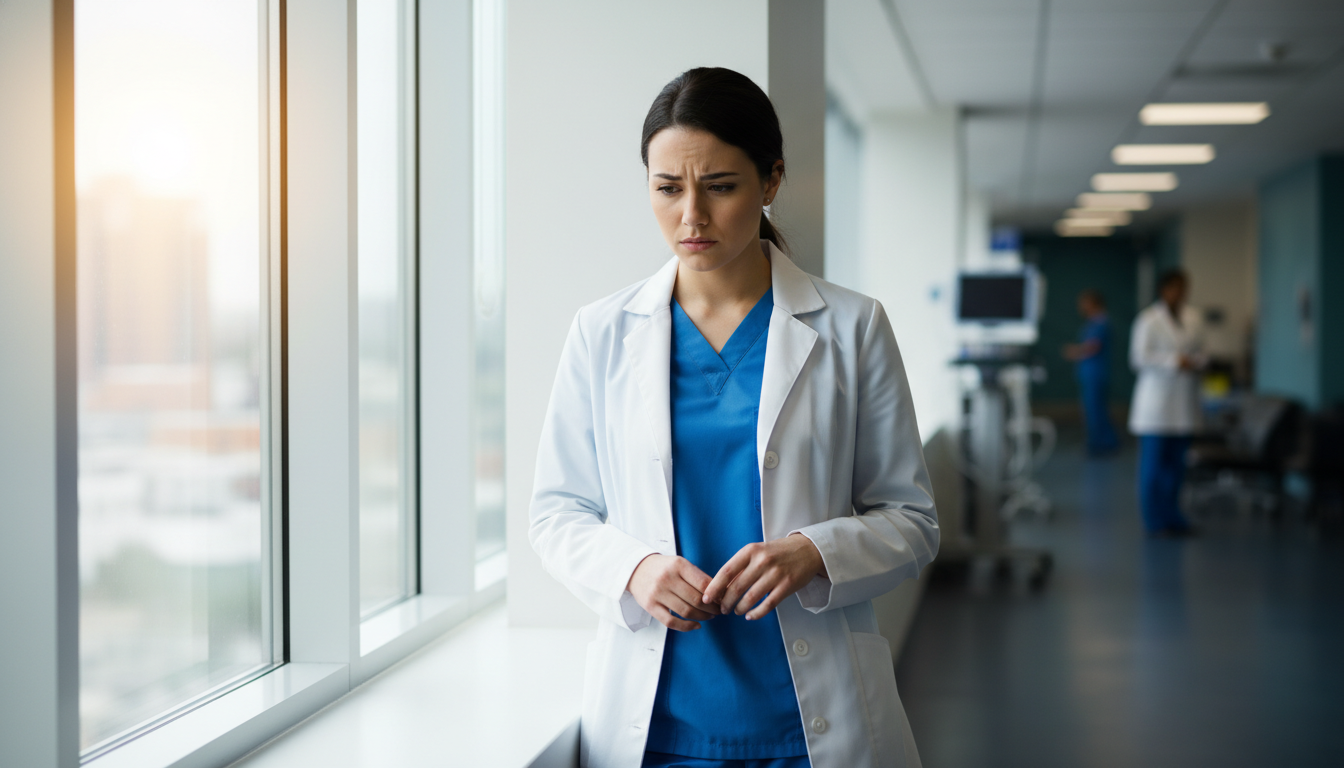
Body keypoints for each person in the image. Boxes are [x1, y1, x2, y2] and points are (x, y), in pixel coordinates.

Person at [529, 68, 939, 768]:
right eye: (667, 189)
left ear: (771, 180)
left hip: (811, 727)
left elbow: (911, 518)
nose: (692, 217)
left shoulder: (853, 326)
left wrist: (815, 552)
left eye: (720, 187)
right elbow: (557, 513)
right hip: (658, 726)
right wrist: (633, 568)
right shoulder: (601, 332)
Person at [1129, 270, 1204, 536]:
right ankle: (1154, 521)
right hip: (1156, 407)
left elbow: (1200, 351)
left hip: (1184, 403)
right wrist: (1174, 361)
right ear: (1164, 290)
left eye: (1185, 288)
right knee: (1154, 468)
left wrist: (1197, 361)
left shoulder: (1193, 318)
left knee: (1176, 468)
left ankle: (1174, 518)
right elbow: (1138, 358)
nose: (1181, 293)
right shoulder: (1148, 320)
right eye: (1176, 288)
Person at [1063, 289, 1120, 456]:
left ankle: (1102, 444)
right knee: (1093, 410)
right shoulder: (1093, 323)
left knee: (1096, 411)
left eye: (1084, 302)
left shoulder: (1102, 323)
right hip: (1091, 373)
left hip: (1096, 374)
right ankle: (1100, 442)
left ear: (1094, 303)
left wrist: (1075, 351)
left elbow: (1092, 347)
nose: (1081, 306)